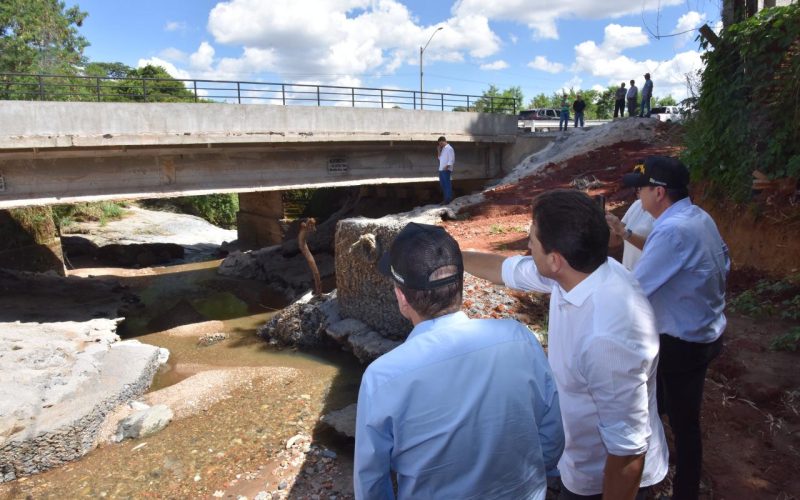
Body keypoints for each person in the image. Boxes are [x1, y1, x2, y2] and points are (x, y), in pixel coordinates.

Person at [464, 190, 667, 500]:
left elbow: (627, 452)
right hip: (578, 462)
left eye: (532, 239)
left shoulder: (607, 336)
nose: (527, 245)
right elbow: (504, 270)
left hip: (605, 481)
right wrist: (450, 253)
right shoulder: (581, 271)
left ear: (555, 260)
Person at [354, 222, 564, 500]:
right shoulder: (518, 338)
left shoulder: (383, 377)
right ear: (460, 286)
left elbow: (371, 480)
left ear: (402, 297)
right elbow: (552, 431)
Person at [622, 156, 729, 500]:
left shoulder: (672, 230)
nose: (637, 195)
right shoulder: (698, 217)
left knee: (683, 424)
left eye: (640, 189)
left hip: (682, 343)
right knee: (664, 405)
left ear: (659, 192)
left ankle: (683, 491)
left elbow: (634, 290)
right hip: (705, 331)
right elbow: (723, 261)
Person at [606, 162, 656, 270]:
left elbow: (657, 248)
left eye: (641, 187)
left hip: (649, 280)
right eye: (636, 187)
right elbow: (615, 241)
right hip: (631, 277)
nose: (637, 191)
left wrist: (623, 232)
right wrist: (605, 226)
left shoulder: (666, 215)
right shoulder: (637, 204)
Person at [436, 136, 454, 204]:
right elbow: (440, 158)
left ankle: (448, 199)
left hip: (446, 169)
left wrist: (447, 166)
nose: (440, 145)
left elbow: (451, 159)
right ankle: (446, 199)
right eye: (439, 144)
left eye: (440, 143)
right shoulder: (443, 149)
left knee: (447, 184)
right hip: (441, 169)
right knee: (442, 184)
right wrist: (438, 150)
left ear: (444, 141)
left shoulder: (449, 148)